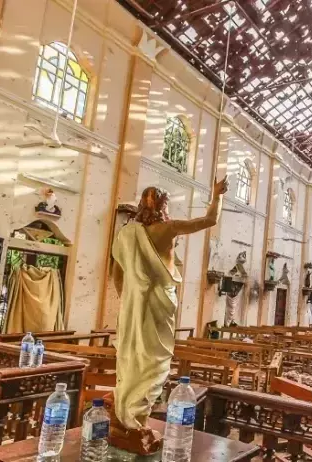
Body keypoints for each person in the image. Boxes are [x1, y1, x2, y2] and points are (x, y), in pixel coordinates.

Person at [109, 178, 228, 453]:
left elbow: (117, 274)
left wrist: (130, 299)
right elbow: (210, 220)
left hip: (134, 303)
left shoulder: (126, 234)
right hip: (161, 300)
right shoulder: (170, 227)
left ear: (141, 205)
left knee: (133, 355)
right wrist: (217, 195)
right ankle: (134, 419)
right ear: (163, 206)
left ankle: (127, 414)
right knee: (157, 359)